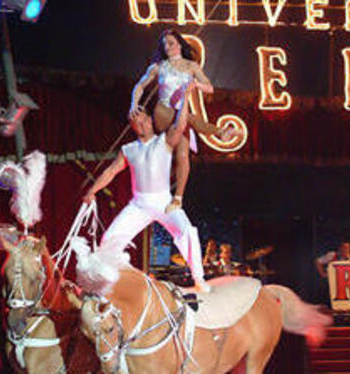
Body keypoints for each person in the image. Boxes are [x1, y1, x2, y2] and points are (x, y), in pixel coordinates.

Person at [83, 81, 210, 293]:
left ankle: (199, 279)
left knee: (187, 231)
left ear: (150, 121)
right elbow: (110, 172)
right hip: (139, 204)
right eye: (136, 124)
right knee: (109, 240)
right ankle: (109, 283)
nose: (140, 126)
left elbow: (179, 125)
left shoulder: (164, 141)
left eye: (143, 121)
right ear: (132, 127)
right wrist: (91, 191)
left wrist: (186, 96)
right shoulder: (128, 149)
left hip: (164, 202)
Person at [129, 29, 240, 214]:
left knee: (183, 155)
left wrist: (195, 84)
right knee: (188, 120)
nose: (168, 47)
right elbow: (140, 85)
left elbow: (210, 88)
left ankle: (178, 199)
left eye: (171, 43)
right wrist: (134, 104)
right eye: (165, 44)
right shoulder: (159, 67)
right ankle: (219, 131)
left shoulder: (192, 66)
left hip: (182, 114)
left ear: (180, 44)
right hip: (163, 112)